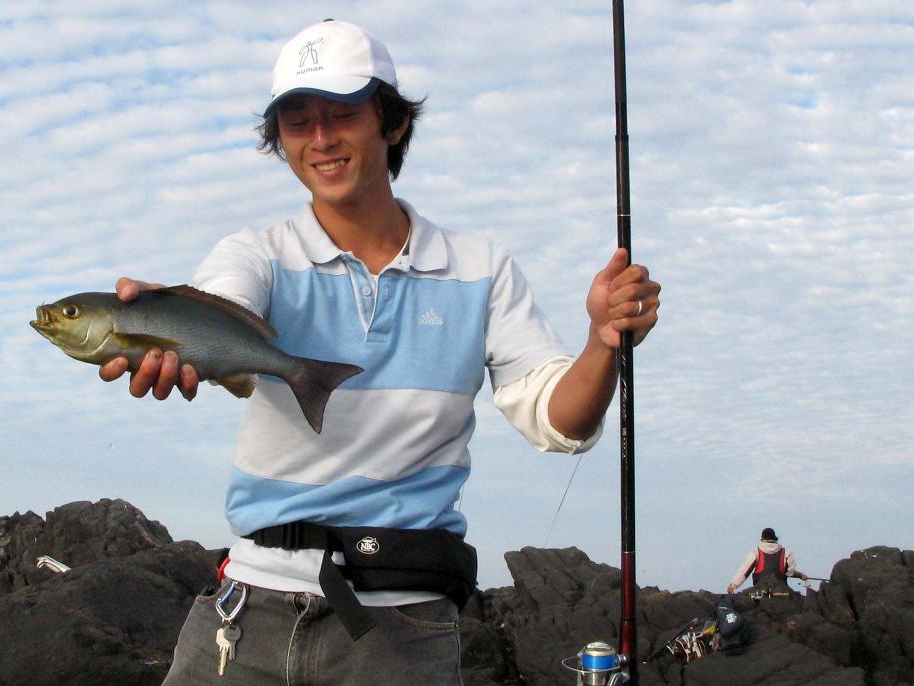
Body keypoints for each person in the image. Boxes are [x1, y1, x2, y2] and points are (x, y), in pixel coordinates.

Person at [99, 19, 661, 685]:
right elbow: (225, 307)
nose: (320, 138)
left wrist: (602, 343)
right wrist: (169, 325)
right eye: (297, 122)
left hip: (402, 627)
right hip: (247, 608)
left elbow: (557, 420)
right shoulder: (255, 254)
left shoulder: (481, 268)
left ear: (392, 124)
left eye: (343, 114)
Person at [727, 527, 809, 594]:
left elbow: (745, 571)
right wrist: (800, 575)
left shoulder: (756, 552)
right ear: (775, 538)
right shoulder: (787, 553)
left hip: (760, 591)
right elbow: (790, 572)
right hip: (781, 591)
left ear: (762, 538)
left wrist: (733, 585)